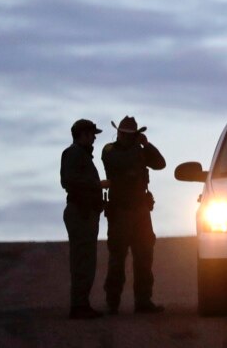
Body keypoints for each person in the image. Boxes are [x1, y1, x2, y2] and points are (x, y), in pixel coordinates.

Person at [102, 116, 166, 314]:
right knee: (117, 259)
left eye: (131, 135)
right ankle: (113, 303)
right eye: (125, 134)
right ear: (119, 133)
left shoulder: (140, 150)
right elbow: (121, 164)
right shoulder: (109, 150)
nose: (127, 138)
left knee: (144, 256)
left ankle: (143, 301)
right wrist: (138, 148)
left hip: (140, 210)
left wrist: (146, 145)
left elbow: (160, 163)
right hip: (120, 210)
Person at [60, 119, 110, 320]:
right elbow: (68, 181)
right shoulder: (73, 153)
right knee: (82, 261)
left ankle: (82, 304)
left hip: (86, 212)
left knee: (86, 260)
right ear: (82, 135)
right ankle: (79, 305)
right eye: (91, 134)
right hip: (80, 212)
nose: (94, 138)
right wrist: (97, 185)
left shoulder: (81, 155)